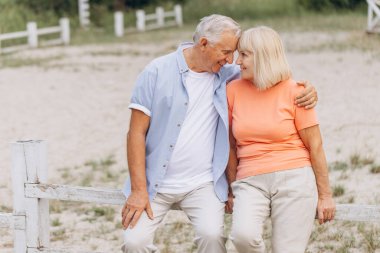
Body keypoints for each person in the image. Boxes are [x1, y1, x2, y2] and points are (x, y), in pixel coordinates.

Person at [121, 15, 318, 253]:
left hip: (204, 183)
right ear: (203, 44)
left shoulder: (229, 73)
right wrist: (139, 190)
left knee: (212, 237)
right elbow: (135, 133)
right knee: (134, 243)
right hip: (155, 183)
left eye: (235, 53)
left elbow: (269, 71)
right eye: (226, 51)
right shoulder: (157, 71)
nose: (231, 59)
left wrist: (307, 89)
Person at [226, 26, 335, 253]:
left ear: (263, 55)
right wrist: (231, 187)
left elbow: (315, 146)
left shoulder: (297, 92)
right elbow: (230, 146)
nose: (237, 61)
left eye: (244, 55)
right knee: (242, 237)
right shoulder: (232, 90)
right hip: (249, 181)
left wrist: (325, 195)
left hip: (294, 179)